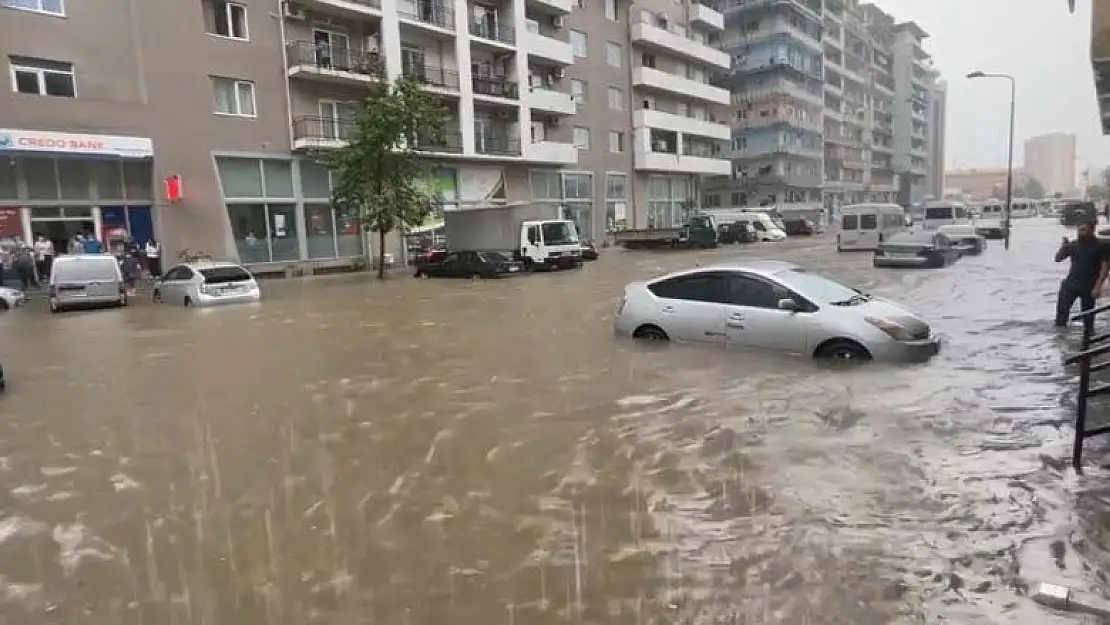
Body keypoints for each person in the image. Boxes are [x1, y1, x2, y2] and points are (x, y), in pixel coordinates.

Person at [1055, 219, 1110, 334]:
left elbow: (1105, 268)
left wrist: (1098, 286)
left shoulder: (1102, 245)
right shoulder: (1073, 245)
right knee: (1061, 316)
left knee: (1088, 319)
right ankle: (1060, 340)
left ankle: (1089, 341)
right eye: (1079, 230)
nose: (1081, 232)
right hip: (1070, 284)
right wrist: (1063, 247)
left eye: (1084, 230)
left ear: (1092, 230)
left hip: (1089, 286)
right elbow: (1057, 259)